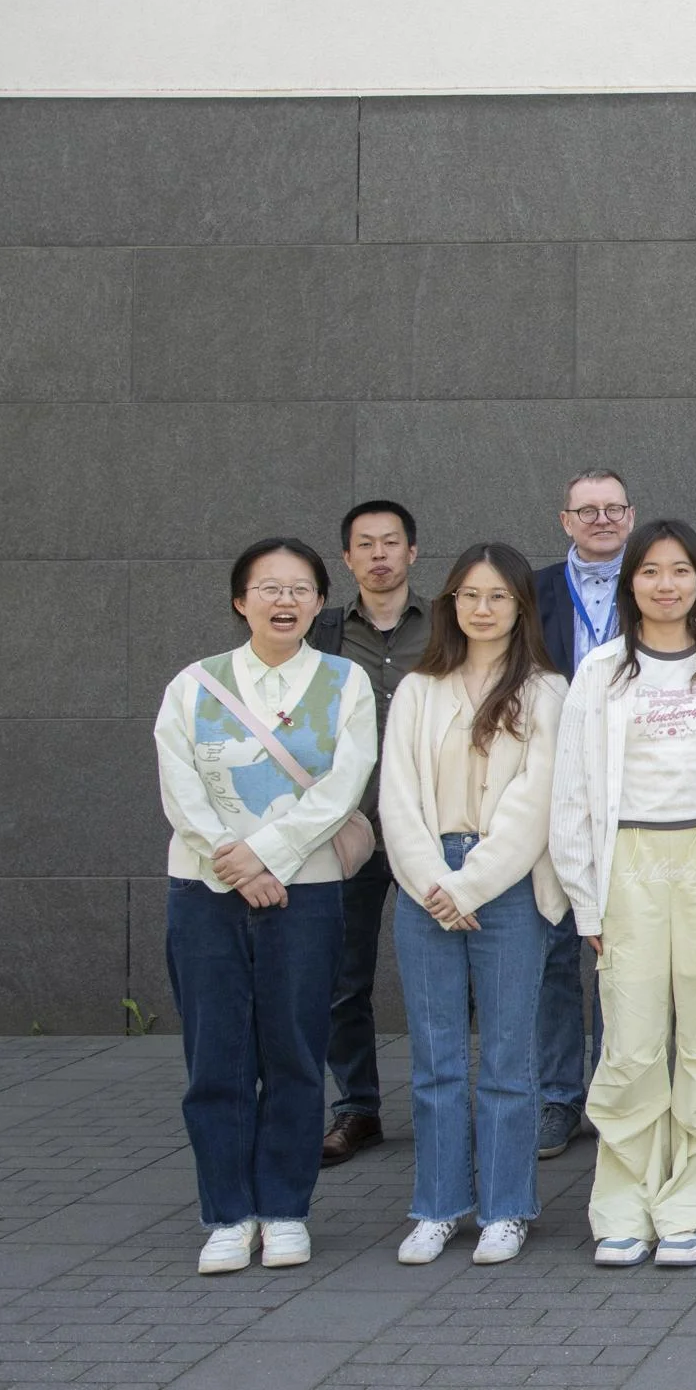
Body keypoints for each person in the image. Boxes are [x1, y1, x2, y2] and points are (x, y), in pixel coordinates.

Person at [156, 538, 378, 1275]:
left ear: (320, 601)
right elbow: (180, 783)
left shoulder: (345, 682)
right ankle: (226, 1212)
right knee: (214, 1058)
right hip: (205, 890)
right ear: (239, 599)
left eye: (300, 588)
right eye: (268, 587)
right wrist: (231, 858)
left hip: (305, 890)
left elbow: (343, 784)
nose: (284, 601)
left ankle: (285, 1208)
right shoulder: (194, 684)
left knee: (293, 1053)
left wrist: (269, 855)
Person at [551, 519, 696, 1270]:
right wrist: (586, 898)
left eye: (680, 571)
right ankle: (623, 1202)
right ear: (631, 581)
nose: (666, 584)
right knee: (632, 1042)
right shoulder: (601, 669)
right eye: (651, 572)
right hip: (629, 863)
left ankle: (694, 1202)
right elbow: (572, 791)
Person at [375, 543, 566, 1267]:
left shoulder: (548, 690)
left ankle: (507, 1208)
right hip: (424, 878)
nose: (482, 609)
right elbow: (396, 795)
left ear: (521, 606)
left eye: (497, 597)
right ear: (450, 602)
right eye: (468, 595)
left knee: (510, 1060)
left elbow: (534, 803)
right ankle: (438, 1206)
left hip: (506, 885)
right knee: (435, 1058)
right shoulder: (421, 688)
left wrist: (468, 885)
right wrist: (433, 879)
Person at [309, 499, 427, 1169]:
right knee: (343, 977)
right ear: (348, 558)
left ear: (413, 552)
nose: (379, 554)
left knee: (450, 974)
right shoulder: (322, 634)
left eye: (391, 542)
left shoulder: (445, 625)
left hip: (426, 826)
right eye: (365, 545)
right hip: (346, 830)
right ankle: (356, 1107)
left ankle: (459, 1101)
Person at [530, 466, 632, 1159]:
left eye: (613, 508)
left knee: (623, 952)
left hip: (633, 788)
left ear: (630, 515)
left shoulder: (658, 579)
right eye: (586, 510)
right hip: (547, 786)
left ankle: (617, 1089)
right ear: (564, 520)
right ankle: (558, 1097)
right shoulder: (531, 590)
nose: (601, 519)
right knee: (553, 951)